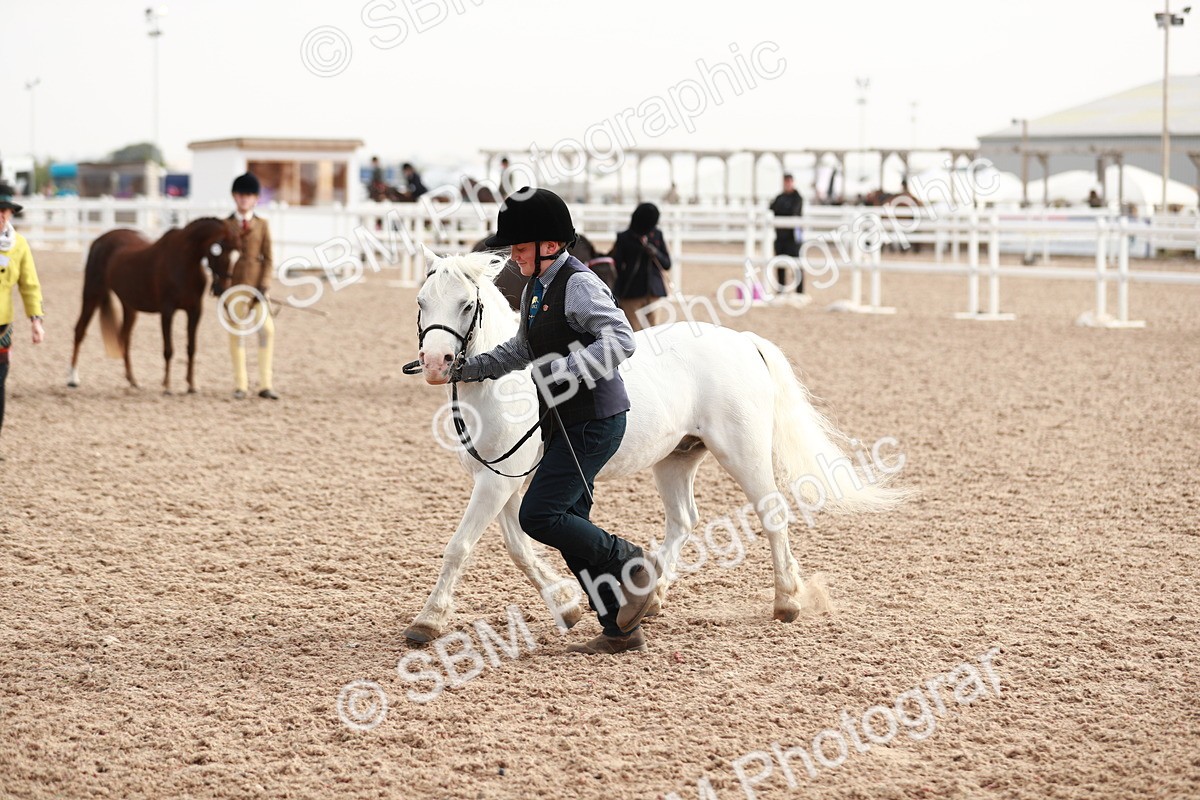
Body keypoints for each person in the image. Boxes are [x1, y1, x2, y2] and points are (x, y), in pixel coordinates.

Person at [451, 187, 658, 655]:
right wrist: (467, 370)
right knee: (569, 521)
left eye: (520, 248)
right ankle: (619, 628)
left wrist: (564, 372)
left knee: (539, 515)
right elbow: (522, 349)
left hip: (595, 420)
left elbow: (622, 338)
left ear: (549, 245)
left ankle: (631, 560)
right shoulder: (535, 287)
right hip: (562, 421)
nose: (514, 257)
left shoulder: (579, 283)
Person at [225, 173, 279, 400]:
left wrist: (265, 285)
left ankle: (265, 384)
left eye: (248, 195)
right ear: (234, 197)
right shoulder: (225, 225)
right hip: (234, 289)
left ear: (255, 199)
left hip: (257, 289)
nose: (244, 199)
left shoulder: (262, 225)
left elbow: (268, 258)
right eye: (240, 195)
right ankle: (241, 385)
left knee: (267, 330)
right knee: (237, 334)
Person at [0, 188, 45, 456]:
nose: (0, 217)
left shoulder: (19, 245)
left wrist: (36, 320)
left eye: (3, 212)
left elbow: (30, 285)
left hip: (2, 325)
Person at [610, 202, 672, 331]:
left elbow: (667, 264)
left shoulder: (657, 235)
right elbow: (616, 266)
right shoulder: (624, 238)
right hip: (631, 292)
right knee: (634, 333)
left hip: (654, 291)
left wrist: (655, 252)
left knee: (655, 332)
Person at [770, 173, 805, 299]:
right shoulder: (780, 197)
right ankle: (781, 291)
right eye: (786, 181)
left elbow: (793, 212)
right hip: (780, 236)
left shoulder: (797, 197)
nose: (787, 184)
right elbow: (772, 209)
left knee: (797, 265)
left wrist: (781, 211)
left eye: (789, 181)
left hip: (793, 237)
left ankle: (799, 292)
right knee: (779, 264)